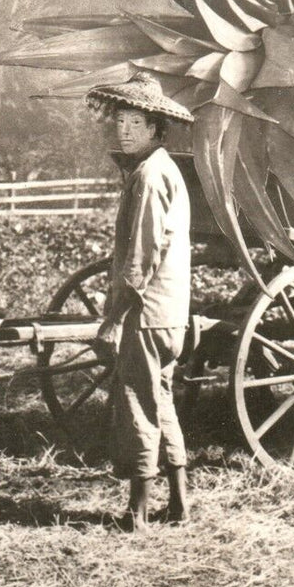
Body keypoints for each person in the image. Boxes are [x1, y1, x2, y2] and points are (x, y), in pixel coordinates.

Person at [85, 72, 195, 531]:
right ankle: (181, 505)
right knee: (161, 400)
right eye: (119, 122)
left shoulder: (150, 176)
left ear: (155, 128)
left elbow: (141, 256)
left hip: (147, 314)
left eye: (134, 122)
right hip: (167, 313)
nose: (123, 130)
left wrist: (114, 318)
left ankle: (138, 514)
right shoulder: (158, 169)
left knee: (137, 402)